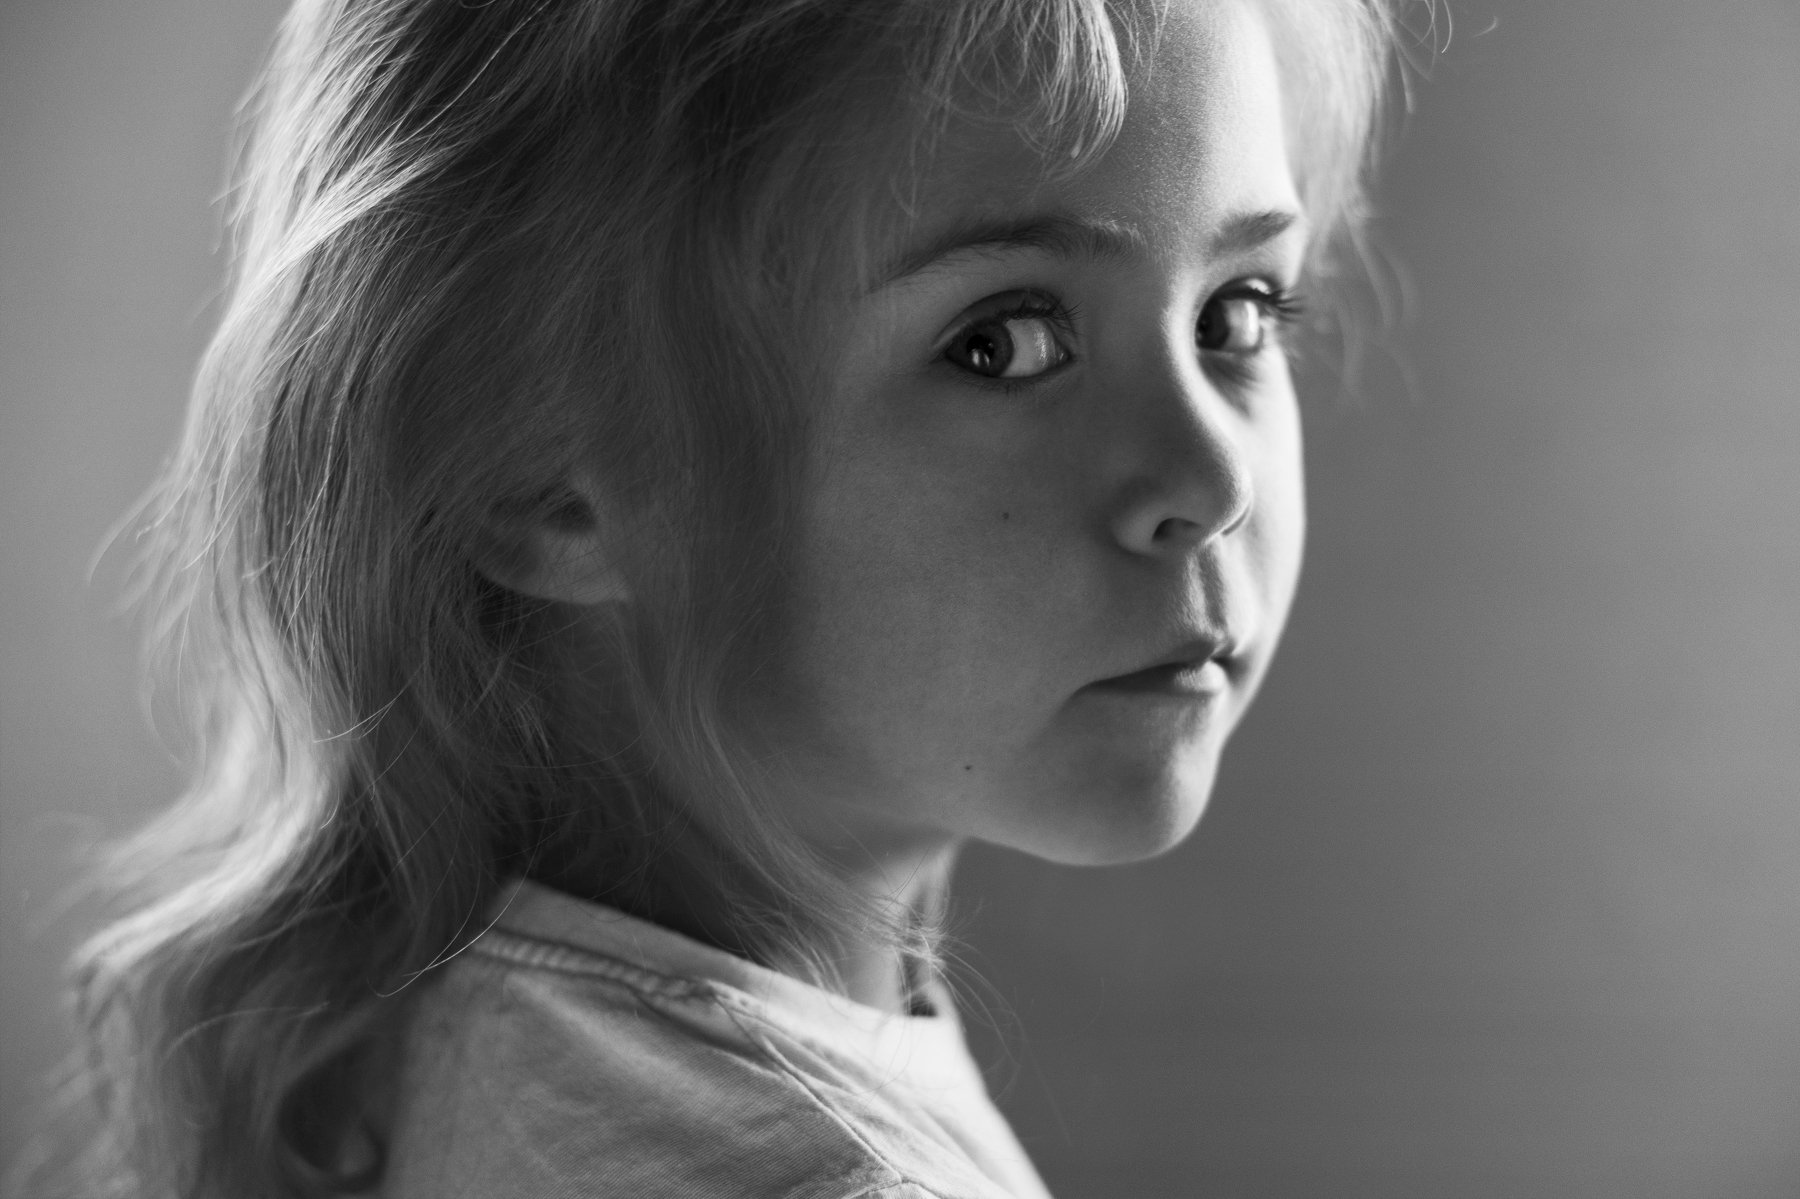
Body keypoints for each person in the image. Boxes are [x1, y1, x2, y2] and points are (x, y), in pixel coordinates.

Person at [41, 0, 1404, 1195]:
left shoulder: (429, 1031)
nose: (1210, 480)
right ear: (539, 475)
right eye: (1002, 342)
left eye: (1238, 312)